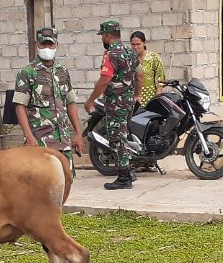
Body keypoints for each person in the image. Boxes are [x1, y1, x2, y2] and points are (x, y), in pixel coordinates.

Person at [12, 27, 85, 162]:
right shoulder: (27, 73)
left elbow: (70, 103)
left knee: (66, 180)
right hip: (39, 143)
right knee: (41, 182)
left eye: (50, 44)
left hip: (64, 142)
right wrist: (29, 137)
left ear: (56, 45)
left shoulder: (62, 71)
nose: (47, 48)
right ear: (36, 45)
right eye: (43, 44)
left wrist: (79, 134)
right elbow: (20, 106)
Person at [84, 19, 140, 190]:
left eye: (102, 36)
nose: (102, 39)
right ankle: (128, 171)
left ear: (107, 36)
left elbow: (105, 79)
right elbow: (140, 75)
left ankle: (124, 178)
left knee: (117, 138)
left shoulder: (111, 54)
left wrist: (91, 99)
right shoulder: (131, 53)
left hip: (116, 103)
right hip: (128, 102)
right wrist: (136, 94)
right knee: (122, 136)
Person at [131, 30, 166, 105]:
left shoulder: (153, 58)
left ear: (144, 43)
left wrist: (156, 98)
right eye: (133, 44)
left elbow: (160, 79)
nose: (135, 47)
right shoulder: (128, 59)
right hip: (133, 99)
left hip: (150, 98)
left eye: (138, 44)